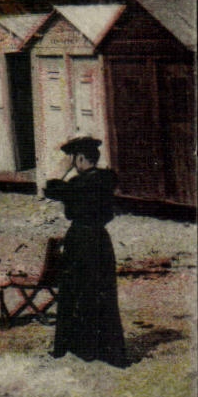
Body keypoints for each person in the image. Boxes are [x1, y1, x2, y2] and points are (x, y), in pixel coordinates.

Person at [44, 136, 127, 367]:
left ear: (80, 158)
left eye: (74, 160)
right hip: (101, 239)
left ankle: (79, 348)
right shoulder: (107, 179)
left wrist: (61, 169)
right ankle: (107, 351)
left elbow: (50, 188)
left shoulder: (78, 185)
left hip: (80, 239)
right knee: (102, 293)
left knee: (74, 292)